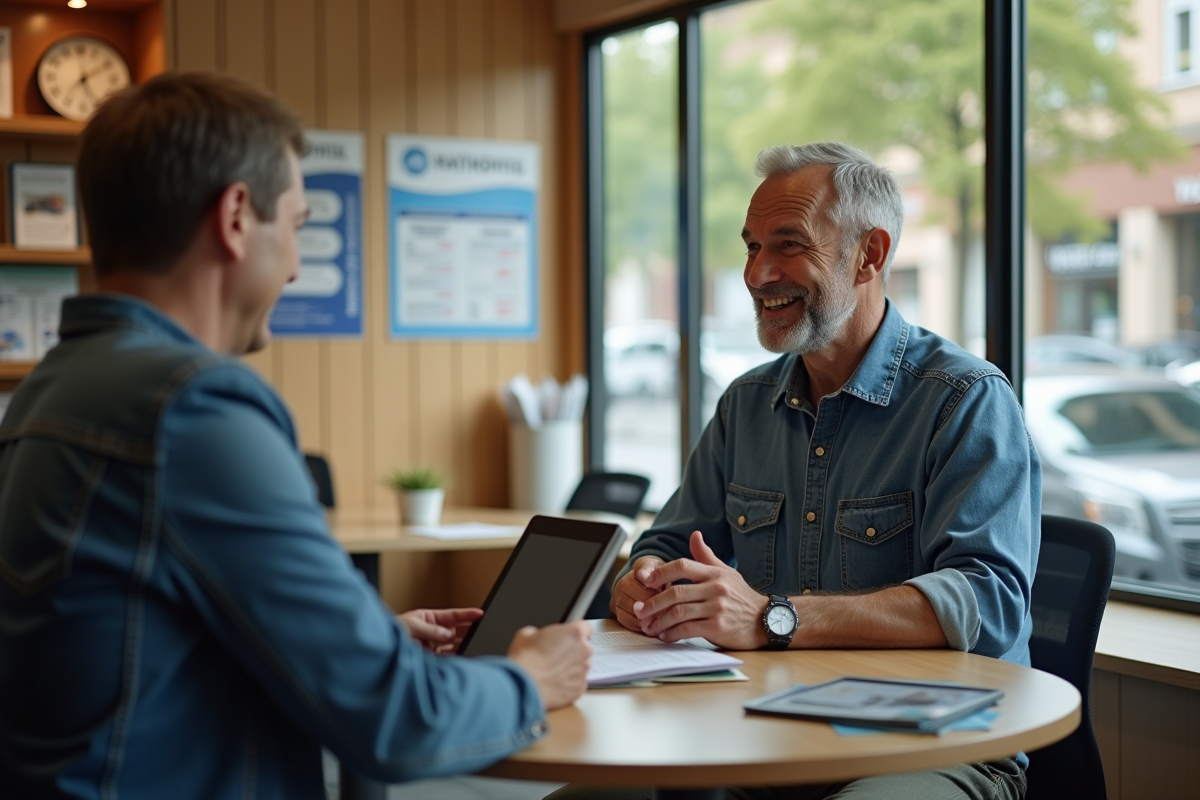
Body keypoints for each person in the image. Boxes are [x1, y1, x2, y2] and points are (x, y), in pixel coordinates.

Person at [0, 72, 591, 800]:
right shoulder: (191, 409)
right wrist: (529, 679)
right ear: (238, 216)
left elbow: (131, 643)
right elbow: (397, 723)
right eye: (299, 225)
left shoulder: (51, 389)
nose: (297, 263)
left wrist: (357, 644)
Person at [595, 142, 1040, 799]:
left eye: (788, 245)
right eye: (751, 247)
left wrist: (773, 617)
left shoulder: (963, 400)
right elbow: (666, 543)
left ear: (871, 254)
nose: (758, 274)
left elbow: (989, 601)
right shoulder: (745, 404)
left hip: (932, 747)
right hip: (758, 733)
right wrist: (643, 582)